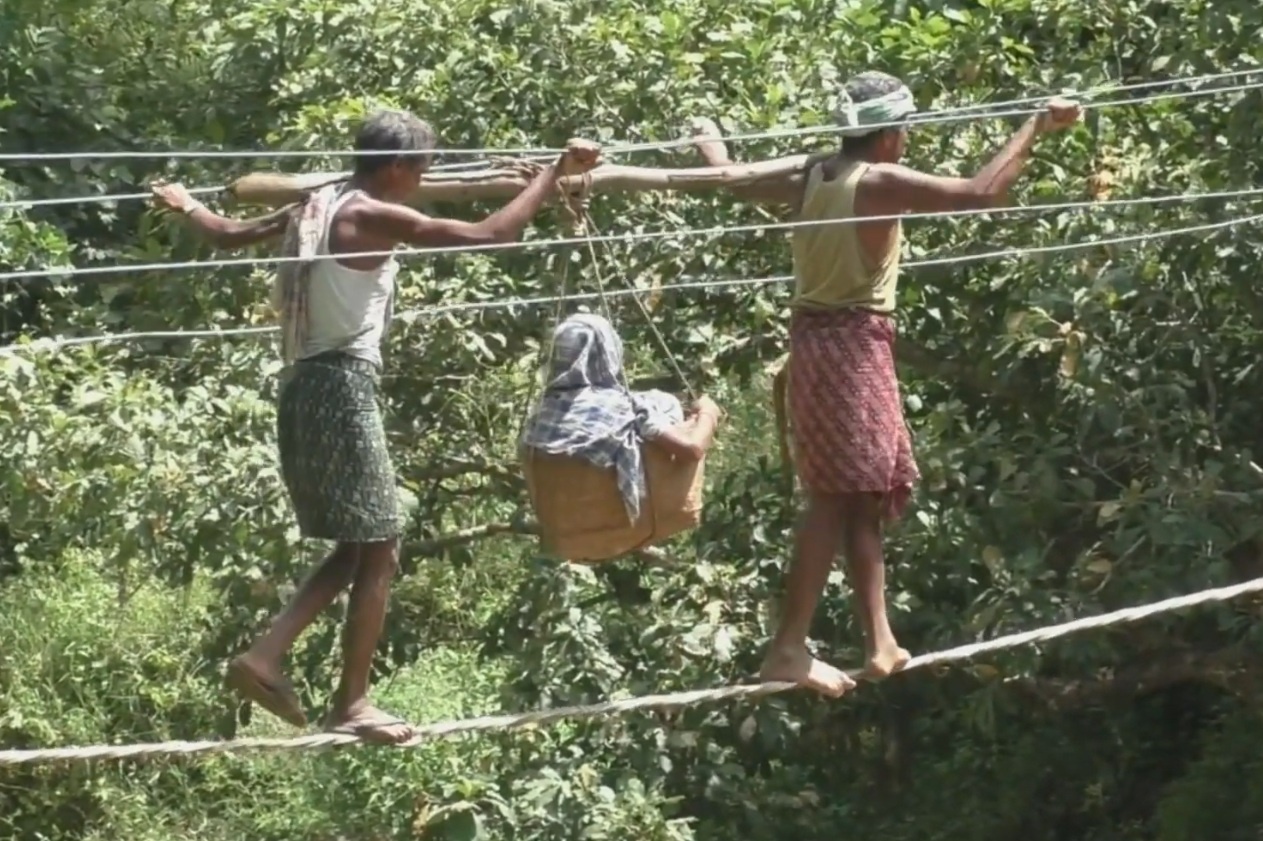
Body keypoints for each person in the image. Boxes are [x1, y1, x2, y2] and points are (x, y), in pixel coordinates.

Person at [150, 109, 602, 743]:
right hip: (340, 385)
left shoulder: (318, 203)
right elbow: (486, 237)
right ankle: (351, 701)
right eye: (422, 168)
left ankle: (264, 657)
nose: (425, 179)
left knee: (360, 544)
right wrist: (553, 172)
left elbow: (230, 233)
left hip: (305, 385)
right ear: (396, 167)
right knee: (382, 543)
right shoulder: (369, 213)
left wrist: (186, 205)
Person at [689, 72, 1081, 697]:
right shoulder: (878, 182)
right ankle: (788, 646)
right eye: (905, 130)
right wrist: (1036, 124)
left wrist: (709, 144)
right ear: (892, 133)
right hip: (852, 346)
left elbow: (737, 183)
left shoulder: (814, 173)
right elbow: (980, 193)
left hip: (816, 342)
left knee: (859, 491)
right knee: (832, 495)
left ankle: (880, 640)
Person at [521, 313, 721, 523]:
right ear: (608, 355)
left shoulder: (540, 414)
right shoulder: (628, 409)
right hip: (627, 519)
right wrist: (708, 413)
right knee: (665, 406)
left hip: (573, 525)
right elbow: (691, 449)